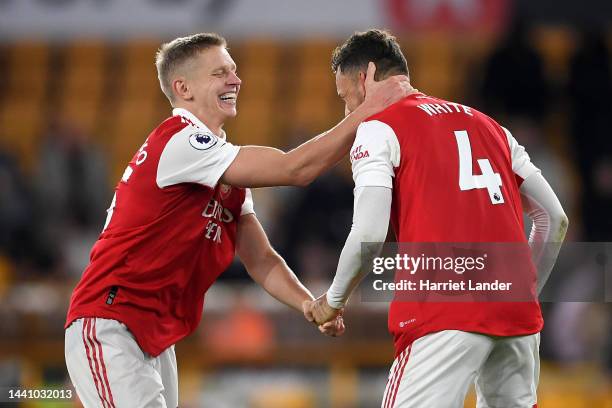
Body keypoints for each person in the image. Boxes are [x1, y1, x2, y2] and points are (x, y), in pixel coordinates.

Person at [64, 32, 411, 408]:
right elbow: (294, 169)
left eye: (233, 70)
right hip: (110, 322)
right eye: (219, 73)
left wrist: (309, 305)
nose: (235, 79)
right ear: (183, 88)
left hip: (151, 334)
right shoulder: (180, 141)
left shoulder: (221, 170)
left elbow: (260, 259)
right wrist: (368, 109)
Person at [304, 29, 569, 408]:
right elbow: (554, 218)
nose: (348, 113)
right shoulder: (491, 127)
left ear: (365, 77)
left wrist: (333, 299)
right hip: (517, 319)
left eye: (345, 98)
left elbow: (369, 232)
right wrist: (520, 292)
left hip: (441, 310)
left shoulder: (378, 129)